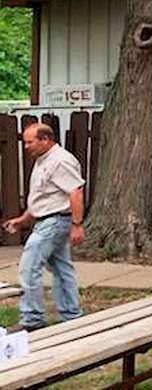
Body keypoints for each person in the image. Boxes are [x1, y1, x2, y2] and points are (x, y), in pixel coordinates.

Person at [5, 123, 84, 331]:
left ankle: (32, 319)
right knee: (62, 269)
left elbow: (75, 192)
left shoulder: (60, 161)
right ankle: (72, 316)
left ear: (46, 140)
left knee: (29, 268)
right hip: (49, 220)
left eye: (30, 142)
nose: (26, 147)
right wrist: (23, 219)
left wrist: (77, 225)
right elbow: (45, 196)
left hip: (54, 222)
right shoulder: (43, 160)